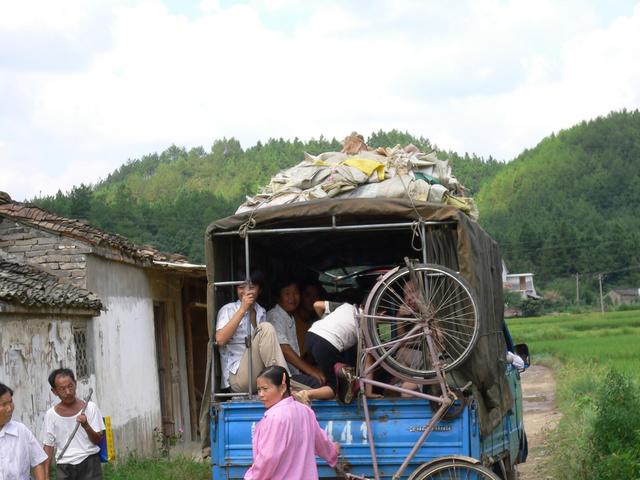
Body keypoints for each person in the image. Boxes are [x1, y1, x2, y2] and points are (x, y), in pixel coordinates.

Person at [244, 366, 339, 480]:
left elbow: (268, 458)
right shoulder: (305, 411)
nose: (261, 394)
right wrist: (333, 451)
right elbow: (321, 441)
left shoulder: (274, 417)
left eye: (265, 389)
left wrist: (252, 477)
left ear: (283, 387)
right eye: (259, 390)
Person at [216, 272, 291, 393]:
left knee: (266, 329)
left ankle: (282, 380)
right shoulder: (228, 309)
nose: (246, 291)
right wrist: (243, 309)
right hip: (237, 376)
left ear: (259, 290)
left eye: (251, 287)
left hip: (259, 374)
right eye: (241, 287)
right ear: (236, 289)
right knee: (266, 327)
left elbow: (264, 348)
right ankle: (284, 380)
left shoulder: (261, 311)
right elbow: (220, 340)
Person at [43, 369, 105, 480]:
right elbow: (48, 446)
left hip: (90, 462)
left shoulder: (90, 408)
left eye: (70, 386)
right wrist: (45, 475)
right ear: (54, 391)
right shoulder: (51, 415)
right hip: (64, 466)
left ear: (75, 384)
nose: (68, 392)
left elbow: (97, 440)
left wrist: (86, 425)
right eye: (62, 389)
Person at [267, 280, 324, 388]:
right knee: (320, 383)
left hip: (294, 373)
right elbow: (284, 349)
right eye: (287, 294)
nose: (292, 298)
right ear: (278, 297)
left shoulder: (289, 316)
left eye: (295, 293)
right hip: (283, 376)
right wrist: (311, 370)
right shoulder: (275, 316)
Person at [0, 382, 48, 480]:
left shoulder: (21, 430)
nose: (9, 408)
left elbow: (38, 461)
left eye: (10, 402)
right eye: (3, 404)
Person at [293, 280, 324, 352]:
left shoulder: (319, 322)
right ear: (300, 296)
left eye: (316, 295)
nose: (312, 299)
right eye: (307, 295)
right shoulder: (291, 320)